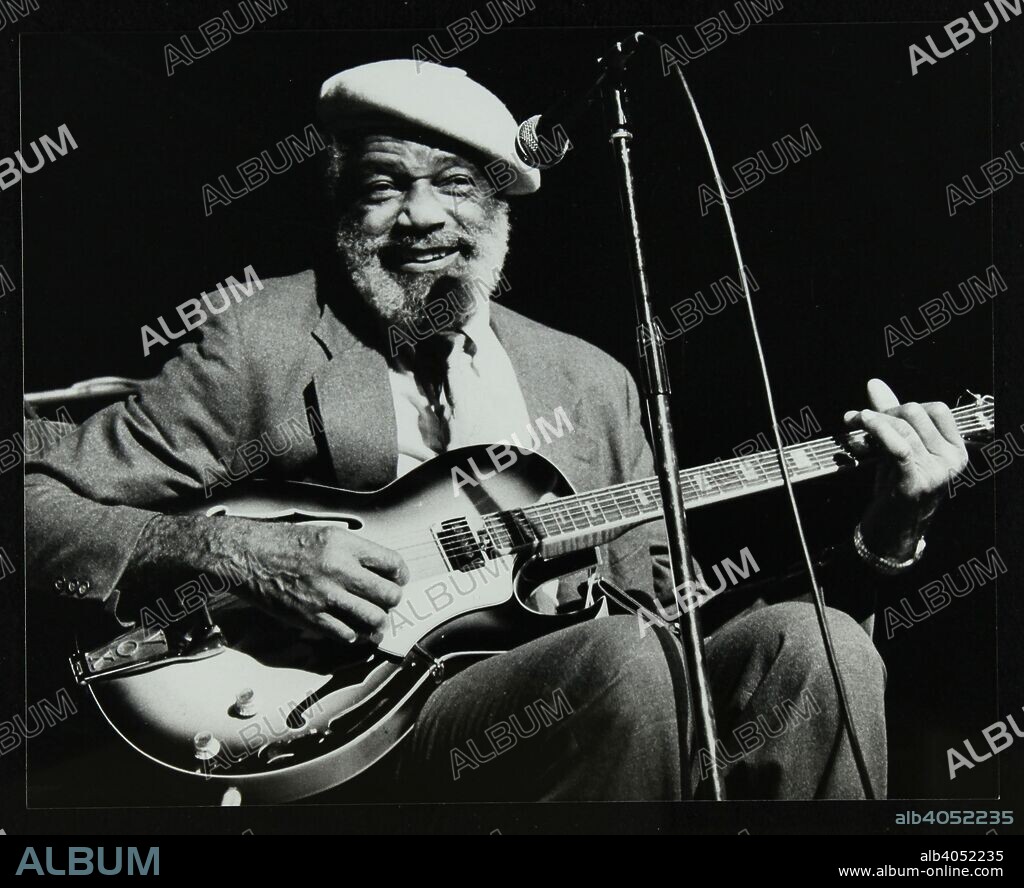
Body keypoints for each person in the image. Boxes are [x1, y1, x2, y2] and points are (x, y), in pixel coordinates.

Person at [26, 59, 969, 801]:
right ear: (342, 207)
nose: (421, 216)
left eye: (455, 185)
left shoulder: (590, 382)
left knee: (818, 646)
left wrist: (890, 527)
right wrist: (226, 549)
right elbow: (30, 499)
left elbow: (658, 614)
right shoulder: (262, 341)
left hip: (595, 703)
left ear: (502, 208)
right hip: (359, 732)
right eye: (383, 185)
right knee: (617, 664)